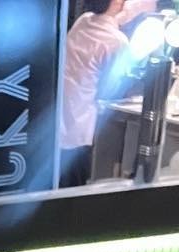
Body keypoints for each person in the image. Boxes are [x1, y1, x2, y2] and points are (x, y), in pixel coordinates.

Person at [58, 0, 154, 188]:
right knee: (74, 188)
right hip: (81, 124)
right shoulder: (116, 41)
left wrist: (124, 15)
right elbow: (112, 89)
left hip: (60, 116)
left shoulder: (83, 21)